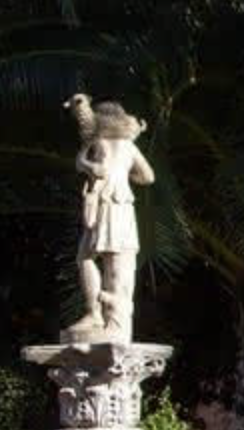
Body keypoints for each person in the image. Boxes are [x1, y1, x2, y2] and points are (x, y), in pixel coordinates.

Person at [63, 100, 154, 344]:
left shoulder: (99, 142)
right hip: (122, 204)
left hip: (107, 202)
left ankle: (98, 314)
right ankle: (106, 317)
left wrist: (86, 163)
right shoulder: (128, 146)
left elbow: (91, 166)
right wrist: (125, 172)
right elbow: (147, 177)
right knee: (107, 262)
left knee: (88, 257)